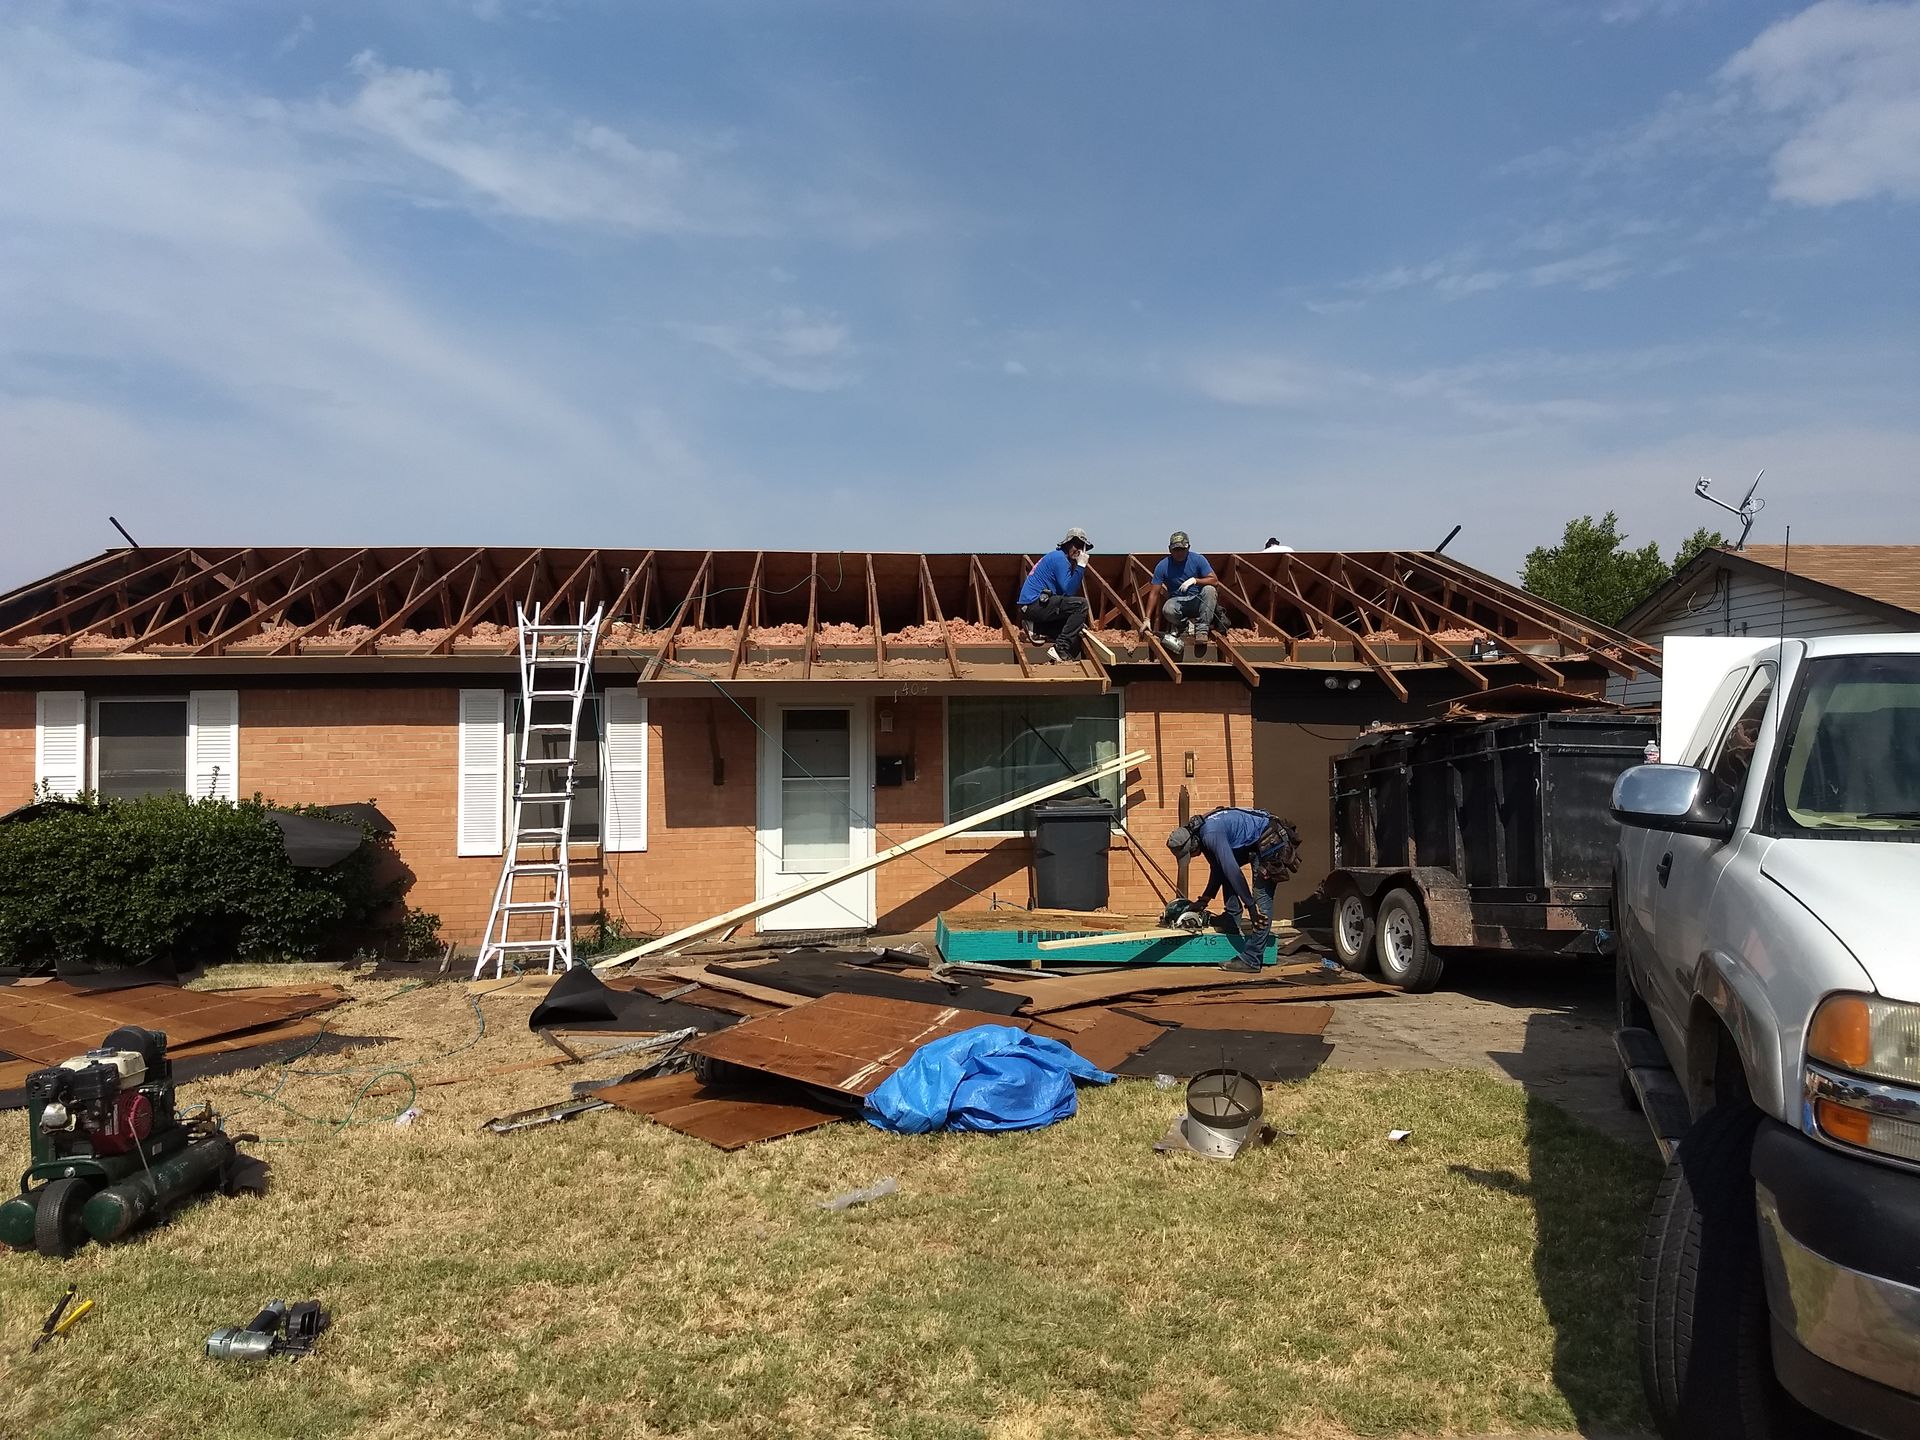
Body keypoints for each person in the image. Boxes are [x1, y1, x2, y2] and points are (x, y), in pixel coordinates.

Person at [1165, 807, 1302, 972]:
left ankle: (1252, 958)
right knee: (1225, 871)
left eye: (1190, 854)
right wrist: (1204, 900)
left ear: (1193, 843)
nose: (1192, 857)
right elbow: (1218, 868)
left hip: (1270, 839)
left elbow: (1233, 871)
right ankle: (1231, 920)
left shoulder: (1210, 835)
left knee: (1261, 901)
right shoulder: (1201, 834)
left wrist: (1251, 906)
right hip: (1253, 843)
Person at [1015, 528, 1092, 662]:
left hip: (1034, 607)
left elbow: (1063, 596)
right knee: (1081, 605)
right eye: (1076, 545)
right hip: (1034, 605)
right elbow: (1068, 592)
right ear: (1067, 544)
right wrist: (1081, 566)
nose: (1078, 550)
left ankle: (1037, 628)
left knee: (1075, 631)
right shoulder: (1059, 559)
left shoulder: (1062, 559)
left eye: (1082, 547)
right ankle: (1060, 648)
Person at [1145, 531, 1218, 653]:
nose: (1179, 553)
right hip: (1178, 603)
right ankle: (1184, 626)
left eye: (1182, 549)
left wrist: (1196, 580)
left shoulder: (1198, 560)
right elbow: (1154, 593)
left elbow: (1214, 581)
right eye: (1176, 550)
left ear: (1188, 548)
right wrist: (1146, 618)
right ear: (1170, 549)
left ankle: (1202, 629)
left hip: (1198, 601)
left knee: (1210, 589)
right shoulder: (1163, 566)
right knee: (1167, 609)